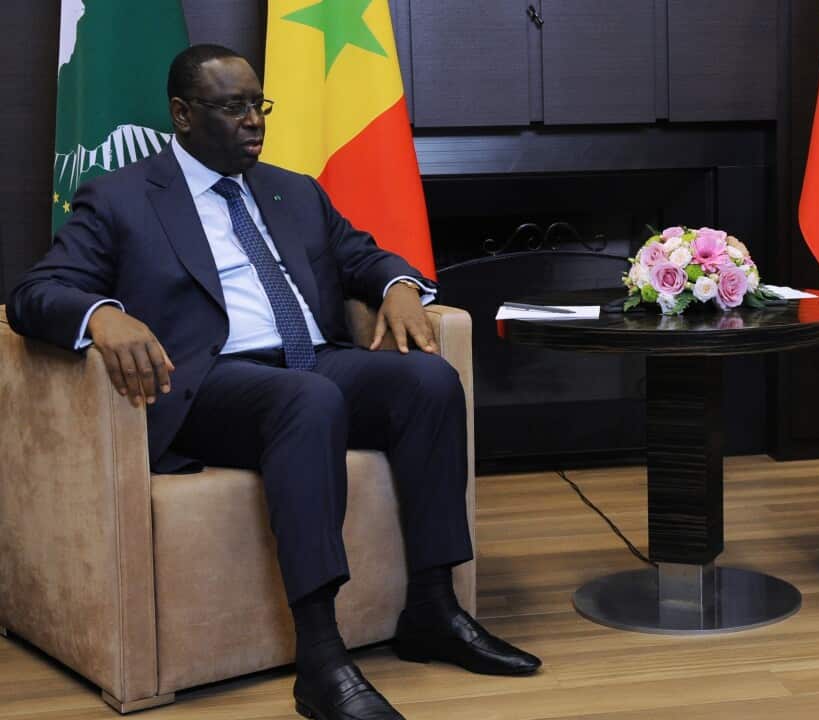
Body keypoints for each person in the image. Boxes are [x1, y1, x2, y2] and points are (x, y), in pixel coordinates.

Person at [8, 44, 540, 720]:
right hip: (209, 382)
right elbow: (35, 292)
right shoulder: (122, 198)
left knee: (428, 382)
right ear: (182, 114)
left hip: (310, 360)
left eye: (257, 105)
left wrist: (401, 286)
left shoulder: (295, 190)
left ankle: (433, 610)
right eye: (231, 108)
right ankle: (321, 658)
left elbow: (363, 256)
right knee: (309, 398)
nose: (253, 121)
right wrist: (102, 314)